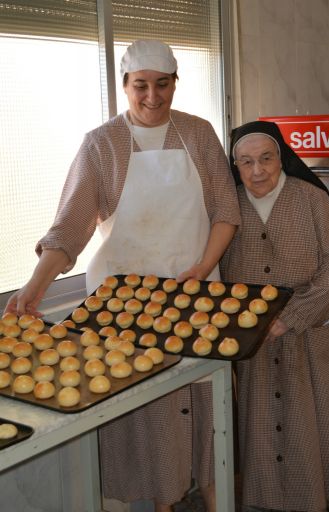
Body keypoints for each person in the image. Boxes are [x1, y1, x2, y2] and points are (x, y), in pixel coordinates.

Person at [5, 40, 241, 511]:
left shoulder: (198, 132)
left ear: (175, 83)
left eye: (162, 84)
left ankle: (216, 499)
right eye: (141, 86)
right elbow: (70, 227)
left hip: (192, 292)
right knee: (148, 412)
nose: (152, 96)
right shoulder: (101, 142)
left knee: (206, 404)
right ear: (124, 86)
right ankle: (161, 502)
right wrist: (34, 288)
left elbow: (226, 212)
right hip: (123, 302)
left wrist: (201, 267)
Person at [220, 120, 329, 512]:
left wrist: (291, 317)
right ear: (236, 165)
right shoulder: (229, 206)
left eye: (266, 158)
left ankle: (314, 500)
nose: (257, 170)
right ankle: (269, 499)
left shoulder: (311, 198)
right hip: (254, 336)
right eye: (246, 162)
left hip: (312, 329)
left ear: (282, 158)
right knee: (262, 420)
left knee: (312, 420)